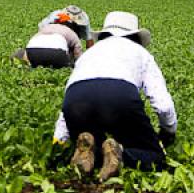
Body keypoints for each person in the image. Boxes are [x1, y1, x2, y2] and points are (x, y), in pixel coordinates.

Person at [52, 11, 176, 182]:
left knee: (93, 139)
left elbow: (68, 99)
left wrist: (58, 142)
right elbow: (163, 105)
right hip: (118, 95)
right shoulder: (140, 52)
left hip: (77, 98)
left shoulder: (89, 54)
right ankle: (121, 154)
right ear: (135, 36)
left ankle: (91, 151)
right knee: (154, 156)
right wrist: (168, 131)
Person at [13, 11, 86, 68]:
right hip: (56, 54)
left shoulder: (44, 28)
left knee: (23, 55)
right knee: (67, 66)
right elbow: (78, 52)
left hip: (32, 52)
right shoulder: (70, 32)